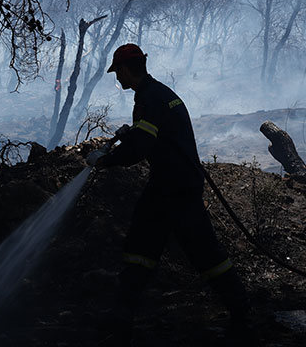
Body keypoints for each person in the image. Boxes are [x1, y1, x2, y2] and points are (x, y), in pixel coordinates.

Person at [87, 43, 251, 344]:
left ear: (125, 69)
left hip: (169, 187)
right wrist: (132, 133)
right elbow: (151, 136)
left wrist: (105, 160)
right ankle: (243, 313)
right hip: (181, 183)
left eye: (117, 73)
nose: (117, 79)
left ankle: (121, 321)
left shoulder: (147, 98)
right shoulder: (162, 93)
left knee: (144, 248)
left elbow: (140, 149)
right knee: (200, 252)